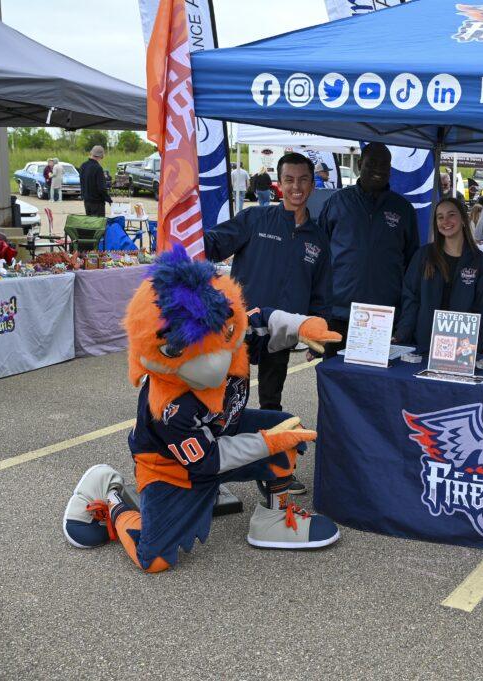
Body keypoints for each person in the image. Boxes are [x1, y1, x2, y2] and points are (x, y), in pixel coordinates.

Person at [60, 246, 342, 572]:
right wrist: (266, 442)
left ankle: (276, 517)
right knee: (153, 560)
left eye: (222, 337)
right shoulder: (166, 407)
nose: (215, 361)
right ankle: (112, 498)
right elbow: (208, 461)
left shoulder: (229, 329)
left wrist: (303, 325)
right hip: (171, 467)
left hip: (222, 429)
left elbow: (262, 319)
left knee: (288, 430)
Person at [205, 152, 330, 413]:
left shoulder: (318, 238)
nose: (296, 187)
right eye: (289, 180)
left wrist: (315, 333)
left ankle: (270, 444)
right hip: (242, 325)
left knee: (271, 401)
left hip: (280, 330)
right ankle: (226, 442)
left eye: (303, 180)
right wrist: (186, 231)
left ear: (312, 184)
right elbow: (212, 245)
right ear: (280, 183)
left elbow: (320, 293)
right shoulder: (255, 219)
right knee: (229, 399)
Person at [318, 141, 419, 353]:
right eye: (372, 164)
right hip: (339, 313)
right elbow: (319, 256)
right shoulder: (337, 202)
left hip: (383, 316)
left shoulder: (403, 209)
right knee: (335, 378)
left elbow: (411, 263)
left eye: (384, 165)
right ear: (359, 164)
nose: (378, 170)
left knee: (377, 383)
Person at [396, 198, 483, 353]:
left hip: (463, 349)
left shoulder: (480, 262)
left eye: (451, 215)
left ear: (463, 219)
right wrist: (402, 333)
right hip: (424, 343)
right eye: (440, 217)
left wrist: (469, 342)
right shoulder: (423, 256)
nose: (445, 221)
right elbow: (411, 298)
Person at [79, 146, 112, 217]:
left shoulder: (83, 166)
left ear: (91, 153)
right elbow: (101, 188)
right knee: (98, 225)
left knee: (90, 224)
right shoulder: (98, 168)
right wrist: (108, 199)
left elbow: (82, 183)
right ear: (101, 156)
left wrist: (83, 196)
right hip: (97, 203)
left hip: (87, 201)